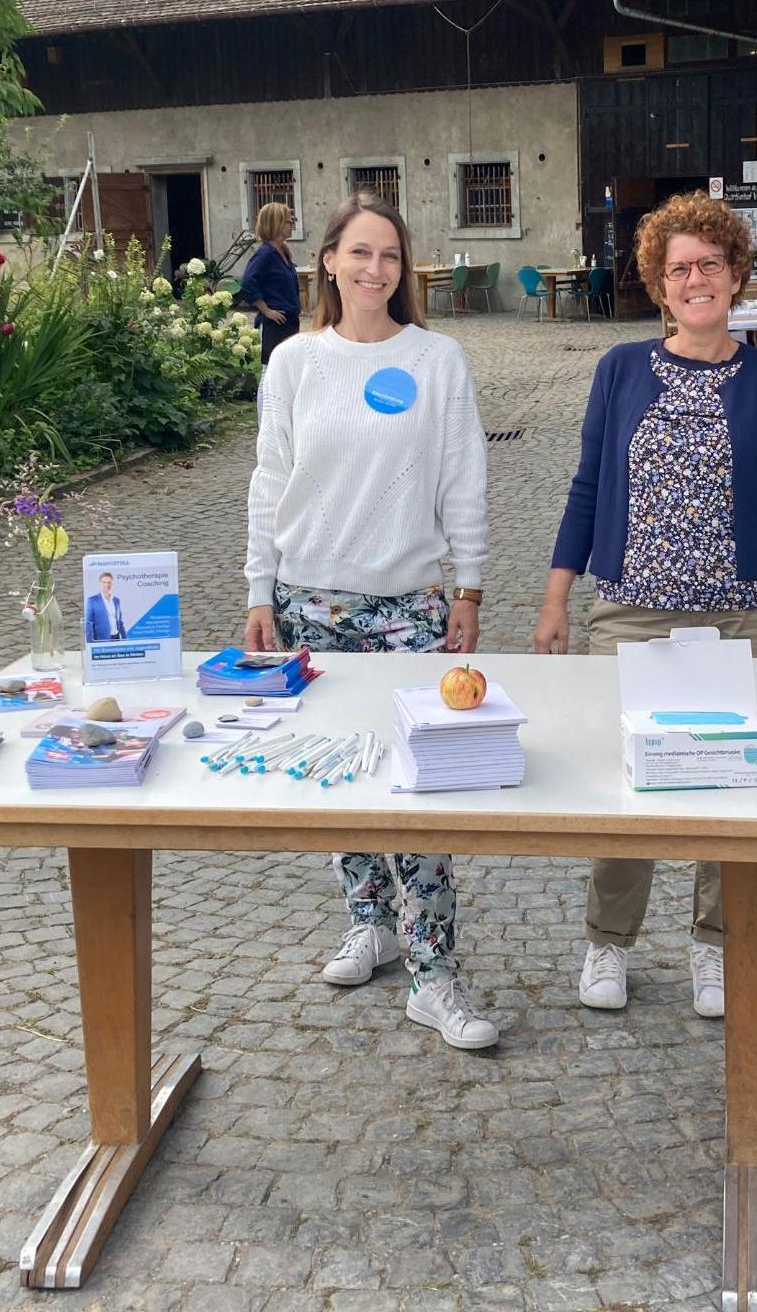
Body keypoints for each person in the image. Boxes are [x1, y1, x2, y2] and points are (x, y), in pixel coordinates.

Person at [533, 191, 757, 1018]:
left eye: (711, 265)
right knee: (628, 784)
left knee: (736, 786)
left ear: (736, 275)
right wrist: (557, 598)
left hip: (750, 614)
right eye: (678, 268)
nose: (696, 280)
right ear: (660, 285)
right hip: (635, 614)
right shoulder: (620, 370)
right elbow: (588, 489)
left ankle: (715, 948)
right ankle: (607, 944)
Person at [243, 192, 497, 1050]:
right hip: (308, 603)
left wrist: (468, 588)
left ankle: (434, 972)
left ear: (404, 268)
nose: (374, 270)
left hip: (410, 610)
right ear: (327, 262)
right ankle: (370, 922)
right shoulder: (295, 365)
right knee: (342, 776)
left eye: (389, 255)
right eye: (359, 253)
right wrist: (256, 591)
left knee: (418, 786)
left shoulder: (438, 361)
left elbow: (464, 481)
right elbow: (269, 485)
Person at [241, 200, 301, 364]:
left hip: (289, 322)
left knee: (287, 371)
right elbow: (248, 282)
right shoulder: (265, 254)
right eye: (289, 221)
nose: (292, 225)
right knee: (271, 372)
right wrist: (266, 310)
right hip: (274, 324)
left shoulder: (282, 251)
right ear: (277, 224)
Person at [84, 571, 127, 642]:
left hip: (116, 637)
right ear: (100, 583)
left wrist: (124, 638)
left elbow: (119, 620)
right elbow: (89, 623)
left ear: (112, 583)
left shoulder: (116, 600)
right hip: (101, 639)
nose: (107, 585)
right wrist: (89, 643)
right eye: (104, 582)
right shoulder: (92, 600)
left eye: (109, 582)